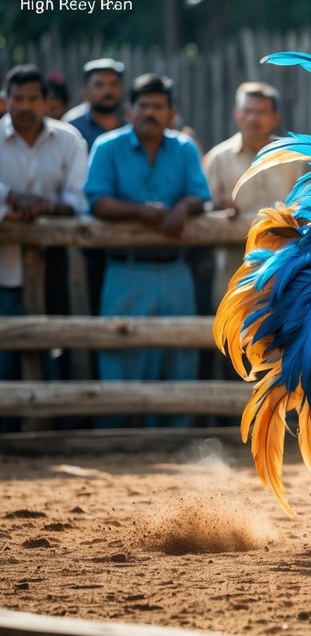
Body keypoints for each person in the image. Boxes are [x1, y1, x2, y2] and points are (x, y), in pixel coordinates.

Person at [84, 73, 210, 428]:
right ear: (129, 110)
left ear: (172, 113)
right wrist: (142, 211)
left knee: (178, 357)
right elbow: (96, 200)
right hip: (126, 271)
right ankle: (118, 440)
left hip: (175, 271)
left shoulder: (184, 149)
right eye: (143, 106)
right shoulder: (107, 147)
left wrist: (181, 208)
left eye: (158, 106)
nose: (149, 113)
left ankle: (175, 441)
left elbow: (201, 196)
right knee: (122, 354)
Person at [0, 65, 88, 391]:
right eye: (18, 98)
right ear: (5, 100)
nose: (25, 106)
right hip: (2, 267)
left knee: (58, 351)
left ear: (45, 101)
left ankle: (60, 429)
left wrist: (46, 208)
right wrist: (13, 198)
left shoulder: (67, 140)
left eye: (32, 98)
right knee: (5, 357)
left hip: (57, 264)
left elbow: (79, 198)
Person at [204, 81, 305, 300]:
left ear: (275, 118)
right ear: (237, 115)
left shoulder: (292, 157)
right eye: (248, 111)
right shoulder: (217, 159)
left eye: (261, 112)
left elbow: (305, 203)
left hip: (284, 267)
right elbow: (203, 207)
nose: (254, 118)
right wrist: (217, 206)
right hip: (233, 268)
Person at [65, 58, 129, 316]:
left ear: (122, 89)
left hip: (131, 229)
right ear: (86, 91)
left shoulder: (135, 124)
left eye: (113, 84)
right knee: (88, 306)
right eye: (99, 84)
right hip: (86, 232)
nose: (107, 90)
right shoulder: (72, 129)